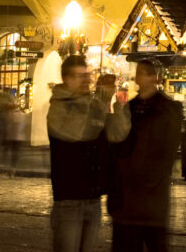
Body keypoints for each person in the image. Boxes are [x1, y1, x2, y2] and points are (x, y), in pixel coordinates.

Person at [48, 55, 129, 252]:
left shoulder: (94, 105)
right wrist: (100, 100)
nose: (85, 80)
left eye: (87, 75)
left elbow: (118, 134)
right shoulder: (58, 106)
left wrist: (116, 104)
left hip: (93, 198)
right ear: (66, 79)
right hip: (68, 199)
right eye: (78, 76)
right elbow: (79, 132)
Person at [109, 60, 183, 251]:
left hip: (152, 194)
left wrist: (151, 179)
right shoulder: (129, 107)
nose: (140, 78)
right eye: (139, 74)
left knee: (155, 243)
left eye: (144, 73)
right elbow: (120, 145)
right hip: (128, 195)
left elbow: (168, 151)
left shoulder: (169, 109)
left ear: (154, 77)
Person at [3, 101, 28, 176]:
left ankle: (11, 168)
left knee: (11, 153)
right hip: (19, 137)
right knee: (15, 154)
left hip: (11, 137)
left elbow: (8, 125)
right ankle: (13, 168)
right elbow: (24, 125)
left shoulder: (10, 115)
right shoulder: (22, 115)